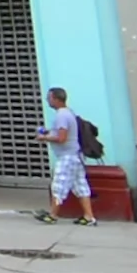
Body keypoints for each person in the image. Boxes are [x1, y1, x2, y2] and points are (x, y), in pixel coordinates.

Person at [35, 87, 97, 226]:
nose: (47, 100)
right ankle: (89, 217)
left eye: (49, 98)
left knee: (58, 186)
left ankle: (53, 215)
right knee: (81, 186)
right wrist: (49, 133)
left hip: (67, 157)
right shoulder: (68, 113)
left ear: (56, 99)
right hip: (76, 156)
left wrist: (44, 138)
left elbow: (62, 138)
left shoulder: (61, 115)